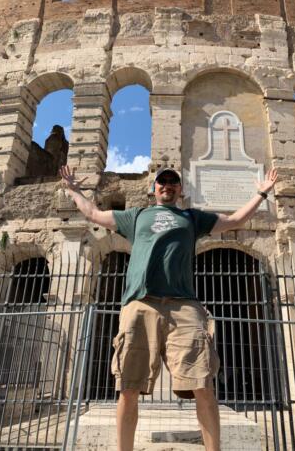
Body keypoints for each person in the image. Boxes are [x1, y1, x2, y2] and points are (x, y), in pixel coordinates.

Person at [60, 164, 278, 451]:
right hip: (140, 303)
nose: (167, 185)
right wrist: (74, 192)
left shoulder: (192, 217)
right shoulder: (135, 216)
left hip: (183, 307)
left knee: (202, 384)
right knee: (128, 387)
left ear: (180, 189)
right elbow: (95, 214)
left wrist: (261, 194)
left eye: (172, 182)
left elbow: (236, 219)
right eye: (161, 182)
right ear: (153, 189)